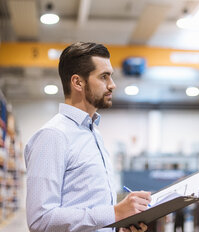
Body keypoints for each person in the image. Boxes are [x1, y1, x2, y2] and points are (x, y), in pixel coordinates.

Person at [25, 42, 151, 232]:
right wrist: (115, 213)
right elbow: (40, 220)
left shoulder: (93, 134)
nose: (112, 85)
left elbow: (91, 209)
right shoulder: (52, 136)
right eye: (104, 77)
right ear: (77, 82)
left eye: (111, 77)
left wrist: (119, 226)